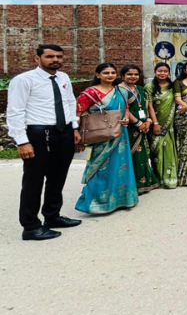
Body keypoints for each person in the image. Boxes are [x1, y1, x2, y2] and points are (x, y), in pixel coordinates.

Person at [8, 44, 82, 240]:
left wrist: (74, 127)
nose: (55, 60)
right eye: (49, 56)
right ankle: (31, 226)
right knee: (34, 180)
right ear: (37, 59)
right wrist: (22, 141)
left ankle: (52, 216)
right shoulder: (24, 80)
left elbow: (70, 102)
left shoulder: (63, 78)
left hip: (64, 132)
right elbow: (15, 111)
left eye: (59, 56)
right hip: (39, 134)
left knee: (58, 177)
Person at [75, 63, 139, 215]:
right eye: (105, 73)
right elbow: (77, 114)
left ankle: (122, 199)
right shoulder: (89, 93)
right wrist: (76, 132)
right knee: (100, 167)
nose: (110, 75)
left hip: (120, 134)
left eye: (112, 72)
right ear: (98, 75)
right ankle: (97, 202)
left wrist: (125, 119)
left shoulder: (121, 91)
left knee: (120, 166)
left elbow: (126, 109)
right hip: (100, 135)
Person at [120, 65, 159, 193]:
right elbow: (124, 109)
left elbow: (147, 107)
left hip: (143, 126)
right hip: (127, 127)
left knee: (141, 154)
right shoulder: (119, 90)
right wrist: (137, 123)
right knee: (129, 155)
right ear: (122, 76)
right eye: (129, 74)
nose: (133, 77)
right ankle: (131, 185)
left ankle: (143, 182)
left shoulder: (141, 89)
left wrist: (148, 121)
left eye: (136, 74)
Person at [145, 63, 178, 189]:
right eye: (160, 71)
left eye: (165, 71)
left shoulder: (173, 86)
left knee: (169, 149)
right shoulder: (149, 86)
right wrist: (155, 123)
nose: (162, 73)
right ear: (155, 72)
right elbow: (150, 106)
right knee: (157, 150)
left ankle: (170, 178)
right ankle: (157, 178)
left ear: (169, 73)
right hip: (157, 123)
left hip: (170, 124)